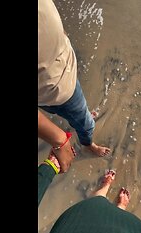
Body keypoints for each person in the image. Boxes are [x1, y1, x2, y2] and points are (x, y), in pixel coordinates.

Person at [38, 0, 111, 170]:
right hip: (58, 86)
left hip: (51, 84)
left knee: (61, 110)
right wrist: (59, 140)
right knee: (86, 123)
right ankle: (88, 144)